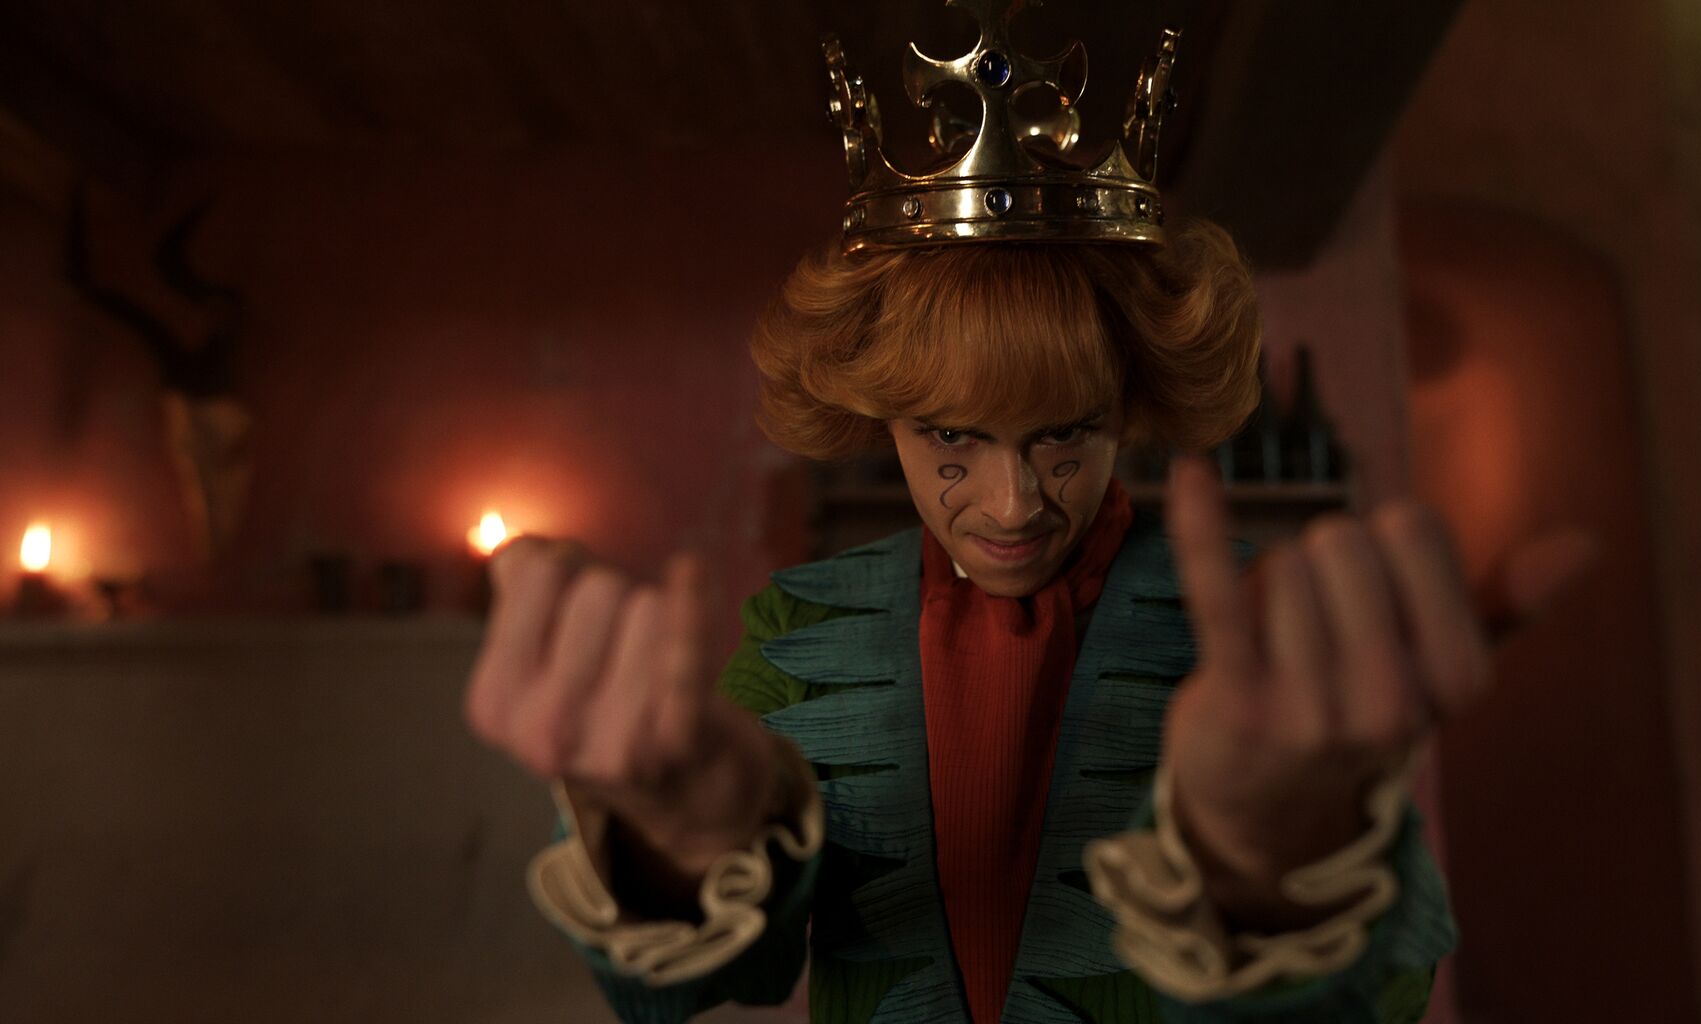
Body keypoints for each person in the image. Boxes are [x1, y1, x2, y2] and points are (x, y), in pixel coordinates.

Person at [464, 7, 1586, 1022]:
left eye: (1063, 436)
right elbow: (673, 993)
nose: (1012, 504)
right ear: (882, 419)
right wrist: (675, 850)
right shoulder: (795, 631)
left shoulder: (1258, 627)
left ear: (1130, 408)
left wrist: (1273, 875)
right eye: (952, 439)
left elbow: (1392, 996)